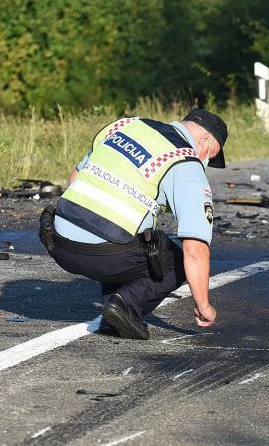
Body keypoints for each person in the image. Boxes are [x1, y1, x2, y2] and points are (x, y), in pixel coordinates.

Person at [40, 108, 229, 340]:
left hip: (58, 241)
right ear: (205, 140)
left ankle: (113, 316)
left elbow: (74, 179)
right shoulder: (186, 162)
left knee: (121, 228)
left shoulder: (126, 126)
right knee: (173, 257)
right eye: (211, 155)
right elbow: (195, 250)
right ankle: (126, 305)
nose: (206, 162)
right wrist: (203, 305)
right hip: (103, 255)